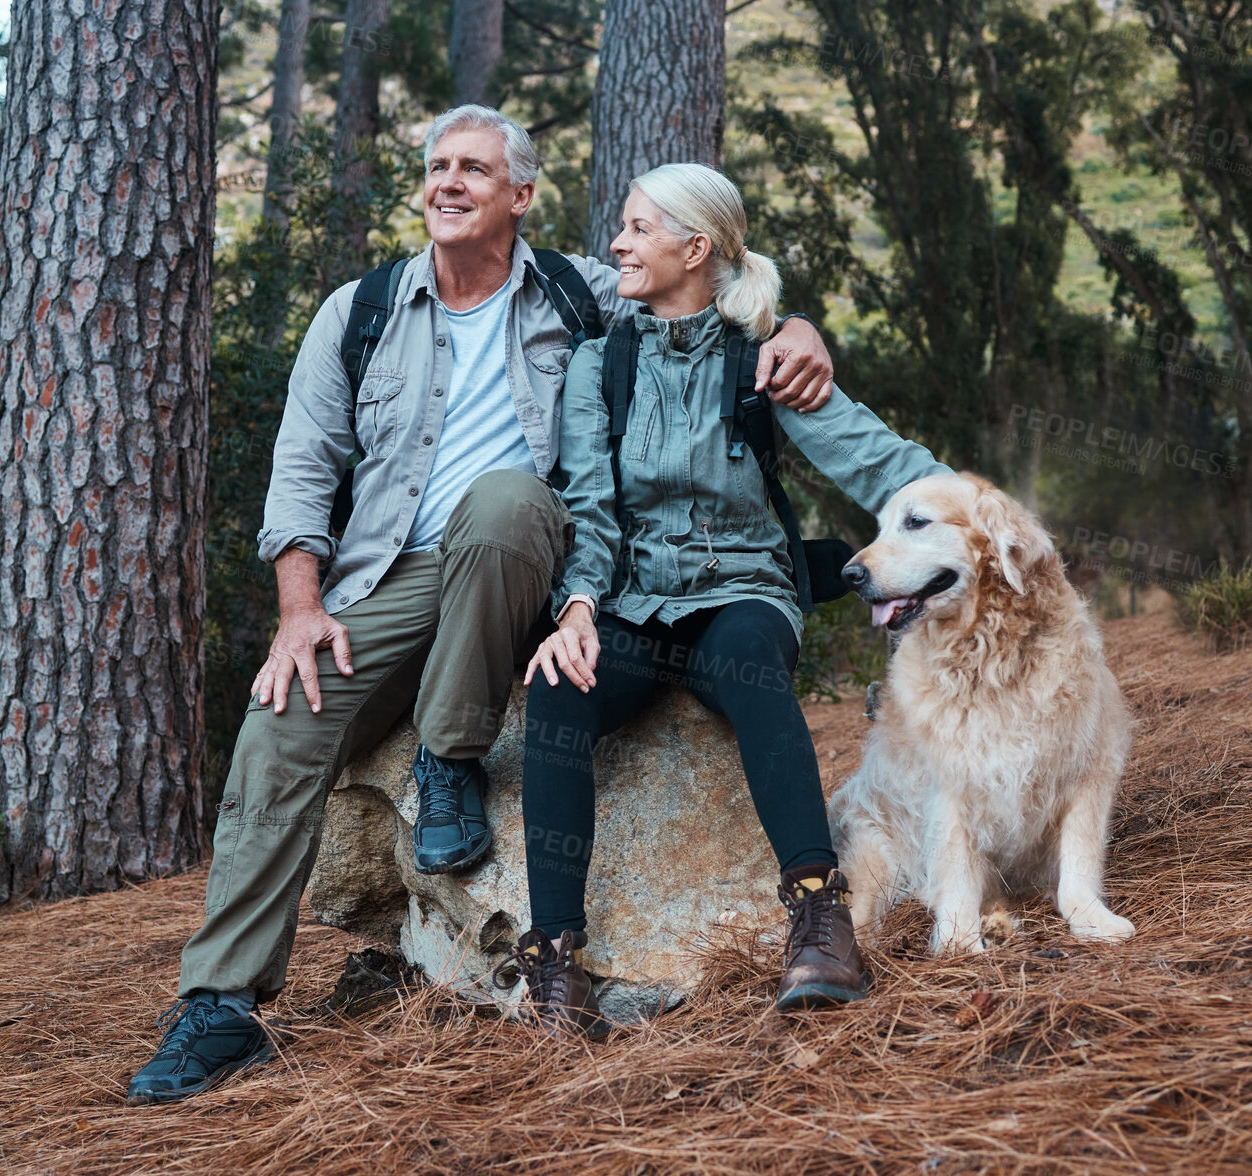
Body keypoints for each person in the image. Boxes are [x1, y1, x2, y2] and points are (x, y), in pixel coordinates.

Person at [126, 107, 839, 1104]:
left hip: (529, 567)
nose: (449, 183)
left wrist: (800, 329)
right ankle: (221, 1006)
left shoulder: (580, 293)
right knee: (284, 720)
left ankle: (450, 752)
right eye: (437, 166)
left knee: (505, 502)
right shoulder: (361, 310)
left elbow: (706, 293)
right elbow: (302, 471)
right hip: (390, 573)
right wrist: (300, 609)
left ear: (521, 196)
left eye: (475, 169)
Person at [496, 162, 951, 1037]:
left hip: (742, 589)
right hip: (630, 603)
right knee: (558, 689)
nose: (618, 244)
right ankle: (554, 964)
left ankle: (819, 919)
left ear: (694, 248)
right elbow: (587, 504)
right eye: (620, 228)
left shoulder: (763, 356)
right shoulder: (602, 364)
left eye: (636, 228)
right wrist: (579, 611)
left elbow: (877, 460)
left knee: (747, 660)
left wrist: (977, 514)